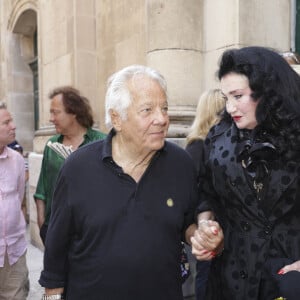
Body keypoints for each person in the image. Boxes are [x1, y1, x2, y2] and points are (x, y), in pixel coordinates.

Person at [39, 65, 199, 300]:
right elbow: (56, 245)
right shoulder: (77, 169)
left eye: (164, 108)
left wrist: (200, 234)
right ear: (117, 118)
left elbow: (188, 221)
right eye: (147, 110)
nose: (162, 118)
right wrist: (52, 296)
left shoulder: (181, 163)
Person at [191, 46, 300, 300]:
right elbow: (206, 194)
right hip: (232, 278)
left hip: (288, 276)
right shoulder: (217, 139)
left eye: (238, 96)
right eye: (225, 97)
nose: (230, 108)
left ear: (268, 92)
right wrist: (206, 226)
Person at [34, 86, 106, 245]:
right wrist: (42, 225)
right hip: (55, 231)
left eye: (55, 112)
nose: (51, 118)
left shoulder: (102, 143)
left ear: (73, 112)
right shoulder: (52, 145)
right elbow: (42, 190)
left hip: (91, 234)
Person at [185, 89, 225, 300]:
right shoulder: (198, 146)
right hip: (208, 230)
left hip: (220, 231)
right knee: (207, 282)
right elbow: (194, 192)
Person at [0, 102, 29, 299]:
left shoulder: (17, 160)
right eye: (6, 122)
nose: (14, 126)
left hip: (14, 253)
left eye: (12, 121)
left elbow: (19, 197)